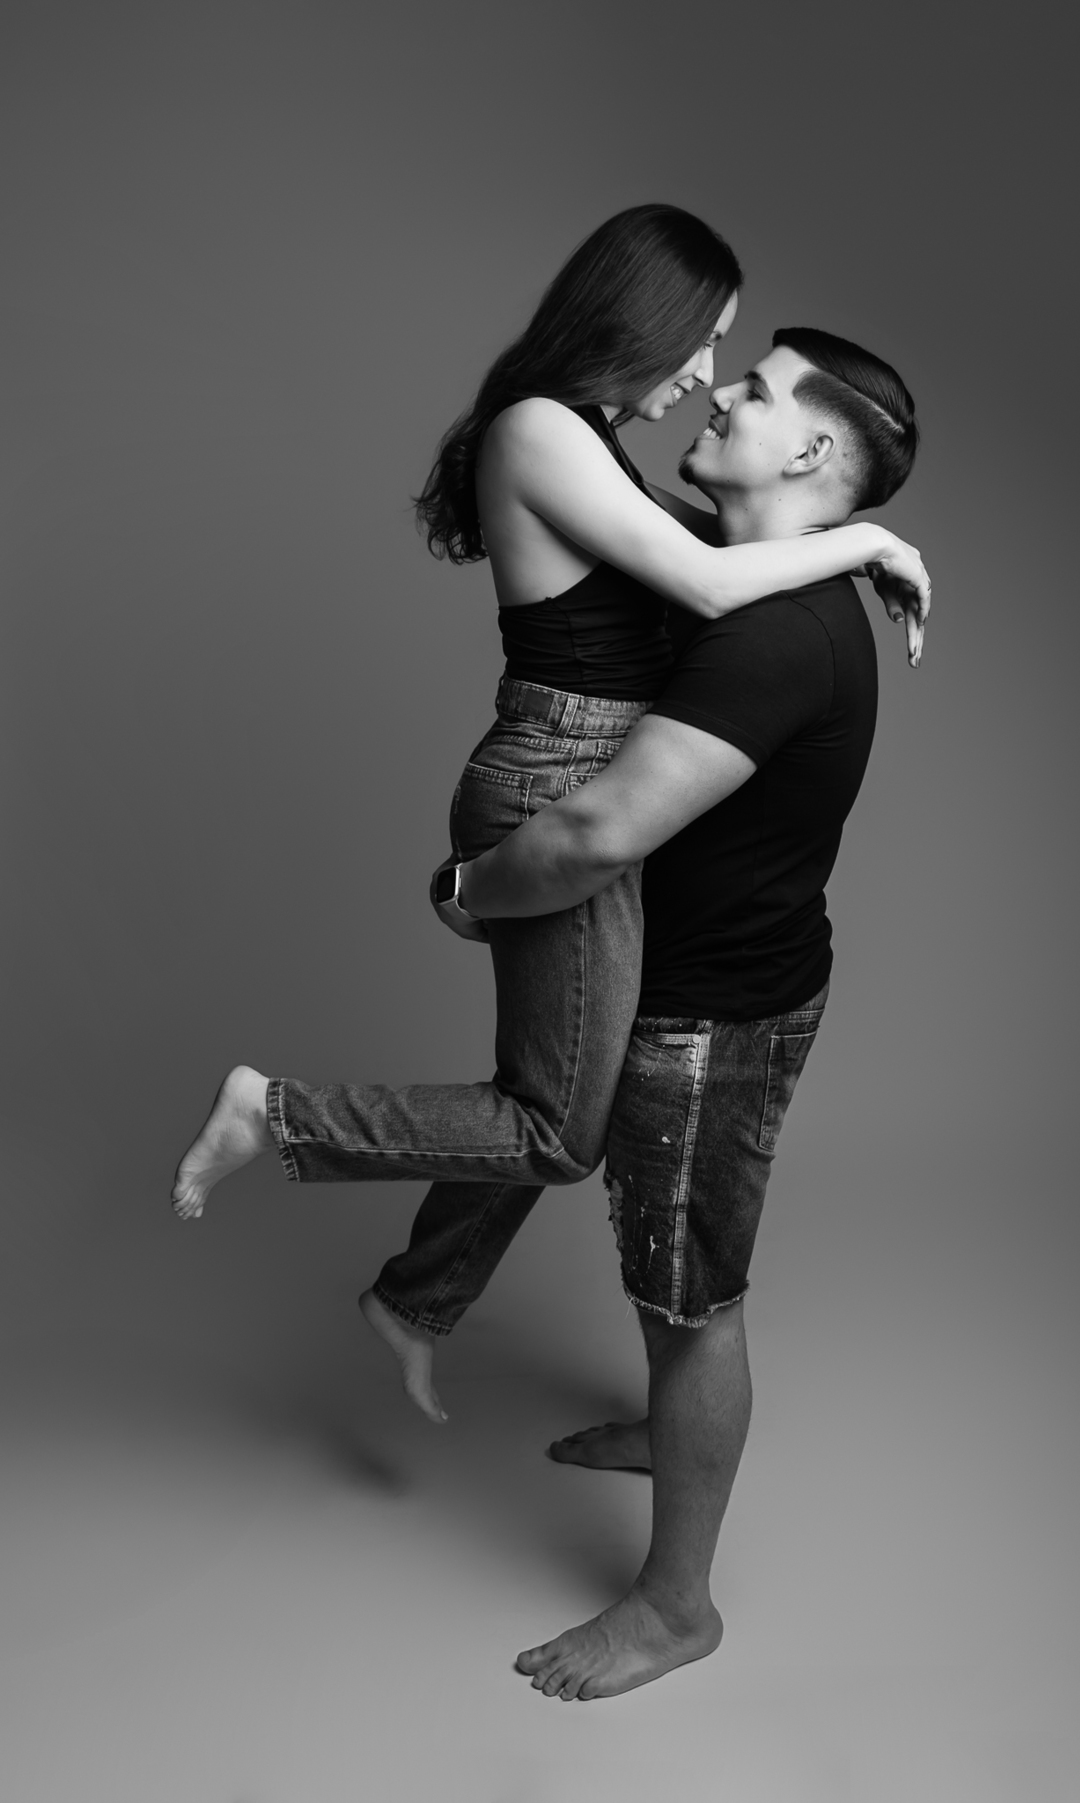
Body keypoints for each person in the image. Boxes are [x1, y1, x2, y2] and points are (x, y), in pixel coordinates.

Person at [171, 208, 928, 1424]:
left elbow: (700, 550)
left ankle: (417, 1300)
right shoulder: (540, 430)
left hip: (578, 763)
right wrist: (869, 540)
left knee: (560, 1088)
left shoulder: (587, 442)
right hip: (553, 776)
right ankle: (273, 1112)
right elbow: (706, 580)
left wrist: (837, 543)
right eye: (703, 342)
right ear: (643, 317)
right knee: (559, 1130)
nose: (704, 377)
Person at [414, 326, 917, 1697]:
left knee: (690, 1303)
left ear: (812, 451)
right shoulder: (734, 570)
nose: (719, 392)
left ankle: (675, 1606)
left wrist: (470, 891)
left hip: (710, 1018)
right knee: (652, 1261)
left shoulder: (778, 635)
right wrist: (871, 540)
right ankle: (664, 1433)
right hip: (686, 981)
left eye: (755, 391)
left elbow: (596, 835)